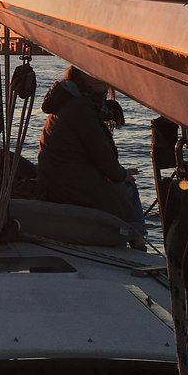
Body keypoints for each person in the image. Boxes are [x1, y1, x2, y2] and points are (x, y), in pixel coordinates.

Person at [35, 65, 146, 249]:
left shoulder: (70, 101)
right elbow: (100, 153)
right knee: (128, 187)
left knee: (123, 184)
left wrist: (117, 173)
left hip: (56, 179)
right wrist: (120, 175)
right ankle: (138, 242)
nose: (105, 79)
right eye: (97, 75)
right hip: (66, 185)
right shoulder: (80, 108)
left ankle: (135, 238)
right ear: (85, 79)